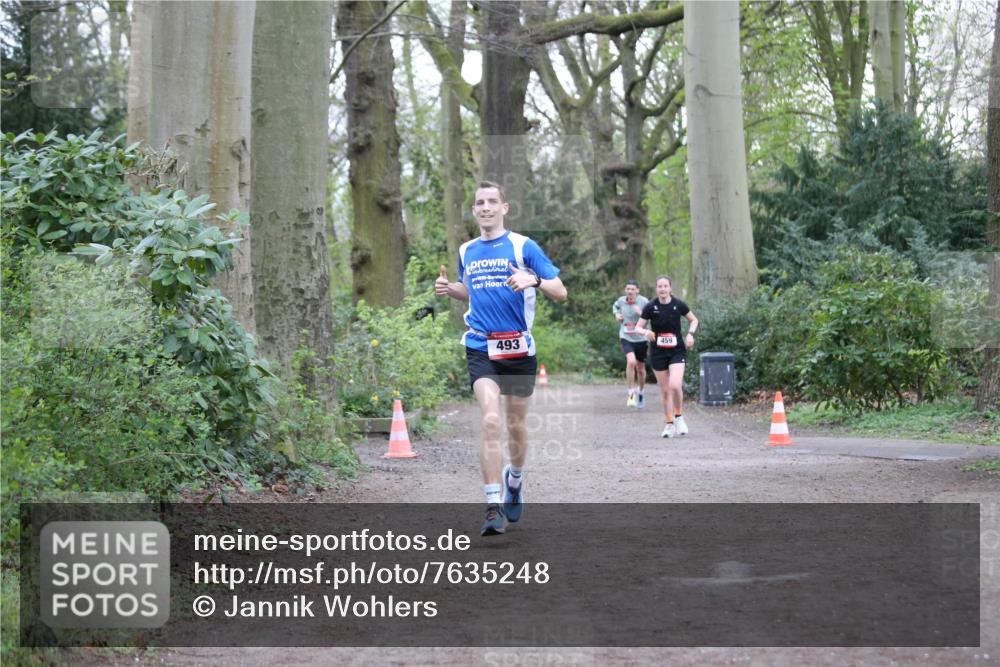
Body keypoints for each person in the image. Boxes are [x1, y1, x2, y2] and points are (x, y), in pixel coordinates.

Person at [435, 181, 567, 536]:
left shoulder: (524, 246)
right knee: (491, 419)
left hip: (519, 348)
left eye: (493, 202)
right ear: (474, 210)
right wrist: (452, 290)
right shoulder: (467, 250)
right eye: (480, 203)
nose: (486, 208)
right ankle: (493, 506)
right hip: (480, 346)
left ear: (504, 208)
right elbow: (471, 291)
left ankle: (516, 480)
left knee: (515, 427)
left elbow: (560, 291)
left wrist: (533, 280)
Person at [633, 275, 698, 438]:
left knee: (675, 385)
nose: (662, 289)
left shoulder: (678, 304)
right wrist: (646, 331)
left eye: (665, 286)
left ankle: (679, 416)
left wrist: (690, 334)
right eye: (659, 286)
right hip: (658, 352)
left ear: (670, 288)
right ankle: (669, 424)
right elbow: (637, 328)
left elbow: (694, 320)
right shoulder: (650, 307)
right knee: (665, 390)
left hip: (677, 350)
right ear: (657, 289)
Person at [612, 280, 649, 408]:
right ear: (625, 290)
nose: (630, 291)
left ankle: (641, 393)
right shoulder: (621, 301)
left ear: (637, 291)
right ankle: (631, 393)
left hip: (641, 339)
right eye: (628, 289)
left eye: (633, 289)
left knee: (641, 369)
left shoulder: (644, 302)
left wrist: (641, 313)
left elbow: (652, 316)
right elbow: (615, 307)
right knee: (631, 362)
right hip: (626, 336)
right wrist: (616, 314)